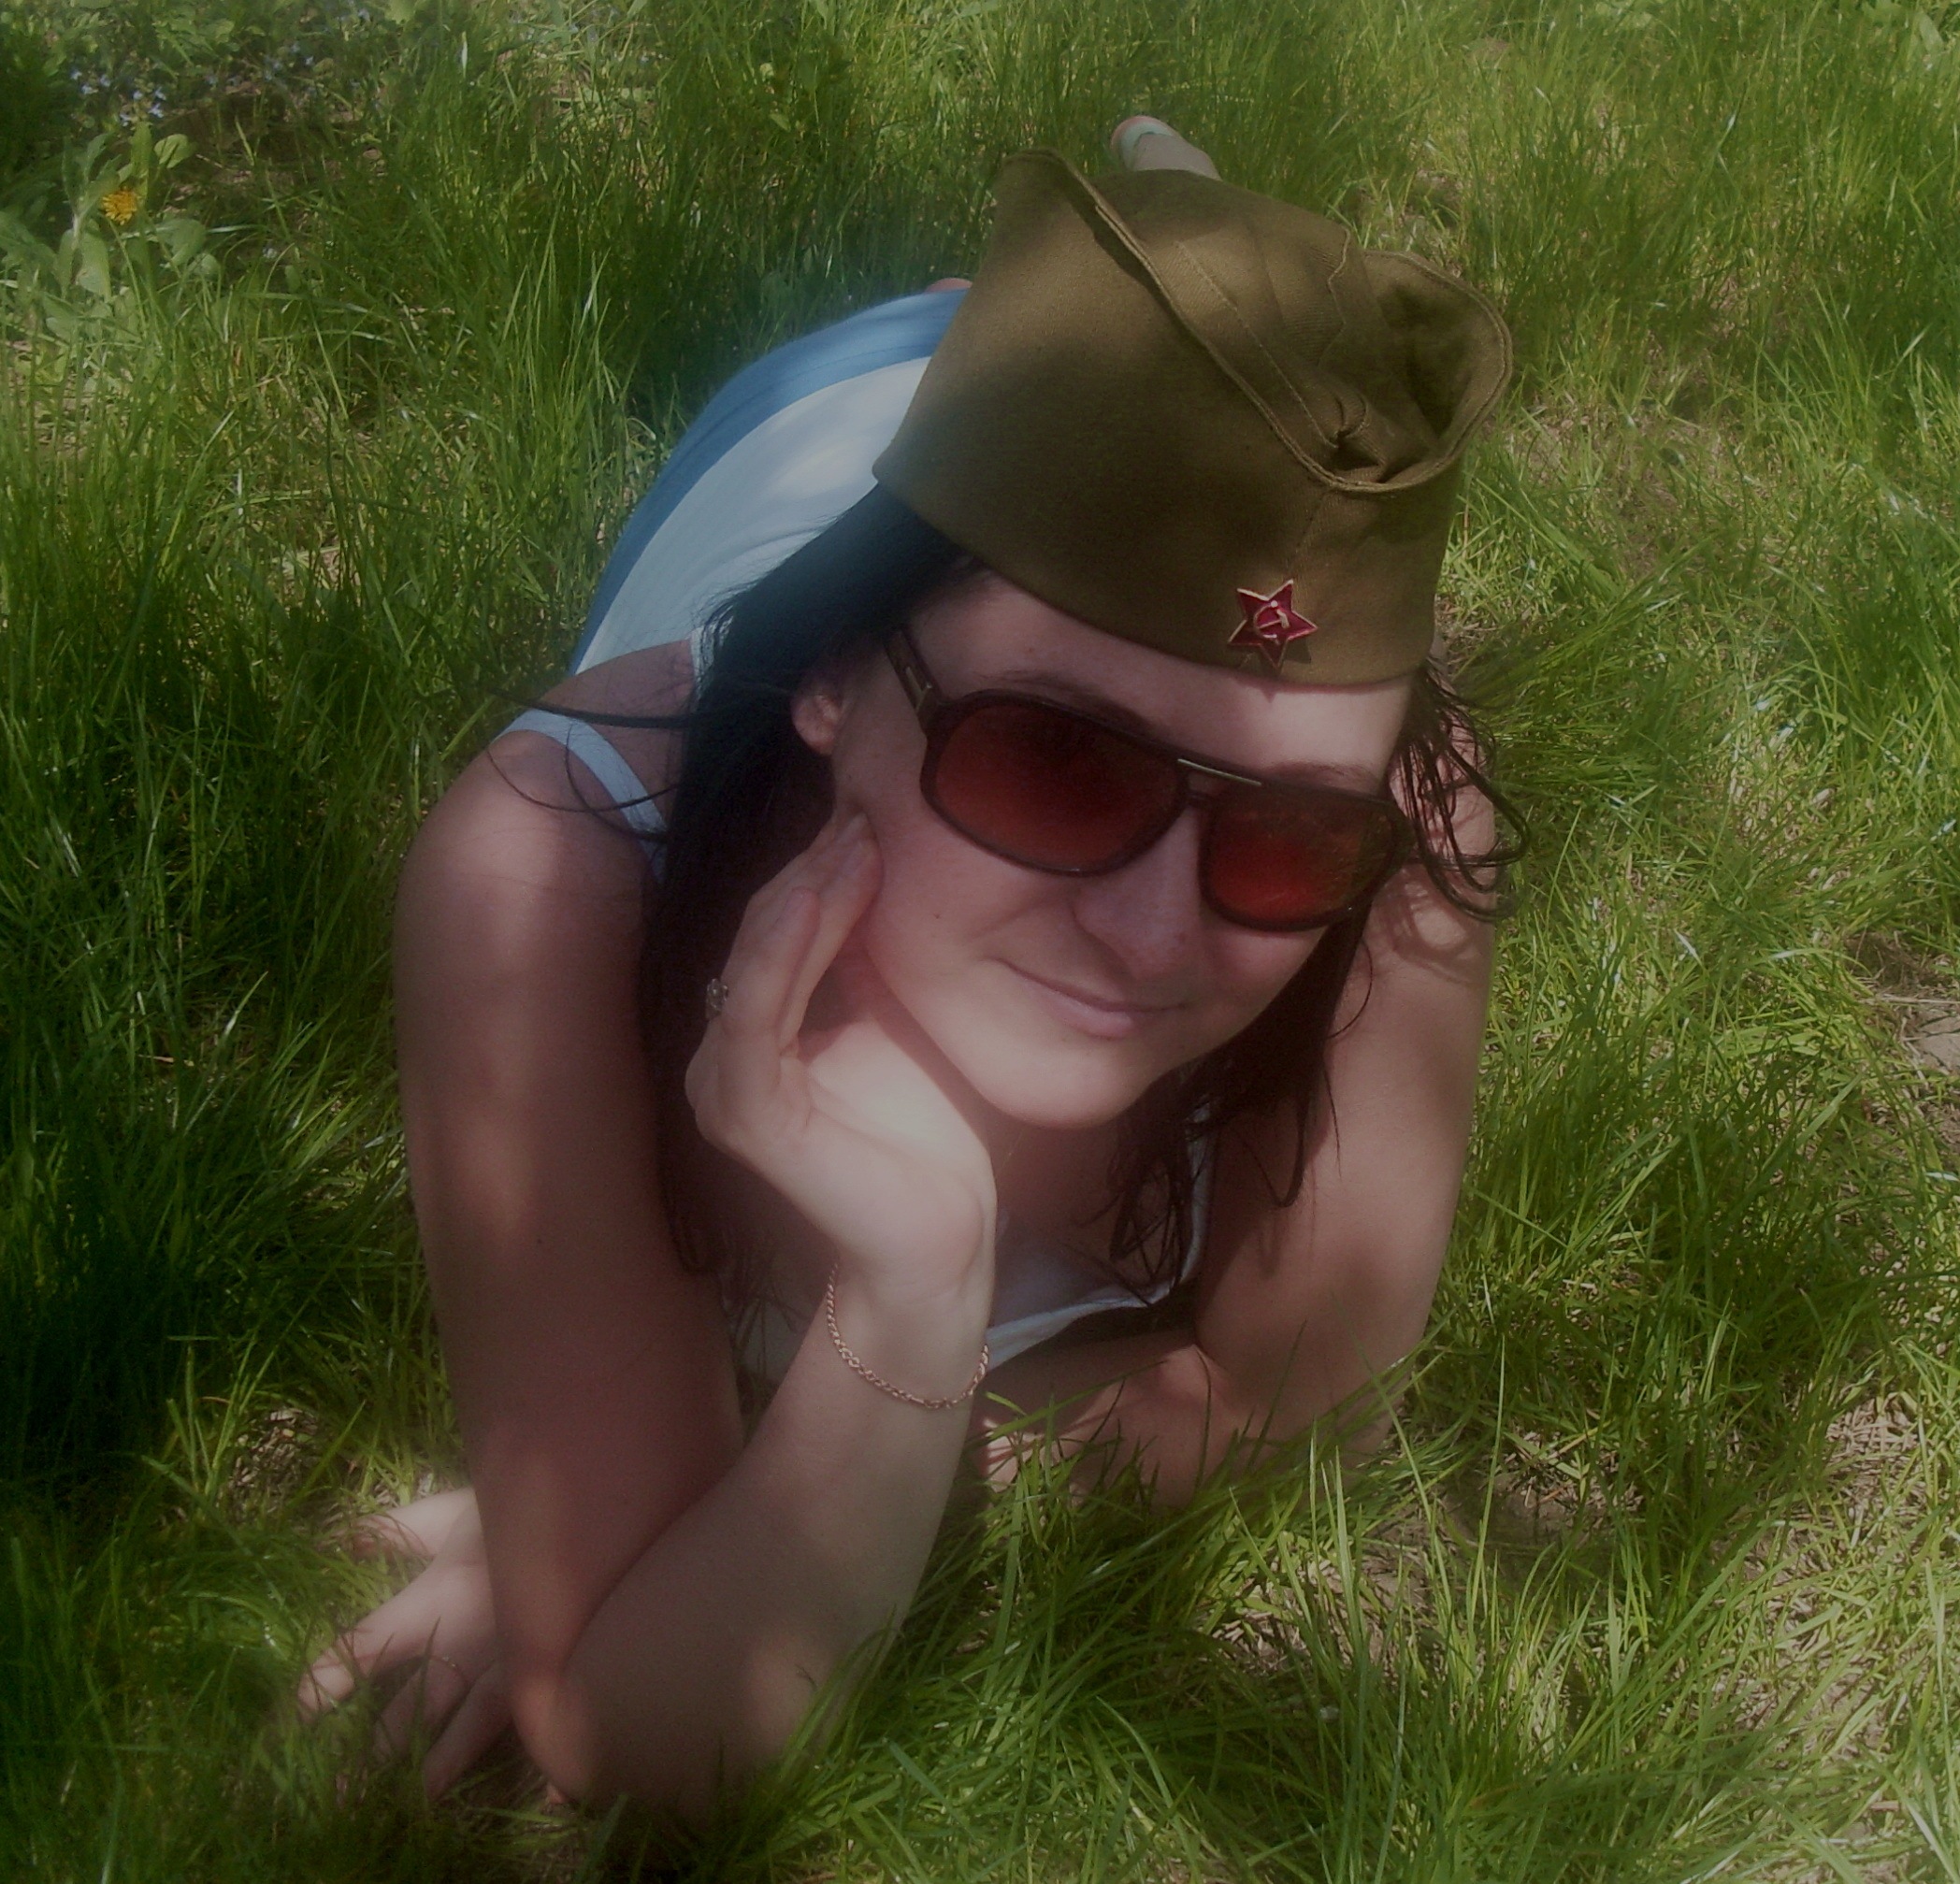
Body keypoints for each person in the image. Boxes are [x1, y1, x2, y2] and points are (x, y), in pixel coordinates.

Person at [297, 118, 1515, 1818]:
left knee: (1258, 459)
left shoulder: (1405, 844)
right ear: (830, 677)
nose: (1155, 934)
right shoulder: (550, 865)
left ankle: (1161, 238)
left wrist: (853, 1389)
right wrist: (882, 1377)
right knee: (1025, 369)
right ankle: (1040, 281)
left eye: (1284, 835)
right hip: (815, 430)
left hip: (1042, 504)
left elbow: (1297, 1424)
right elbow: (637, 1736)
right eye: (1056, 763)